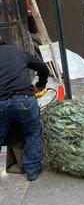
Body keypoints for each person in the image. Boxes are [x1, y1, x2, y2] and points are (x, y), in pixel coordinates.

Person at [0, 39, 49, 181]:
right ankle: (32, 171)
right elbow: (42, 67)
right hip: (24, 99)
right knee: (32, 132)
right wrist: (41, 84)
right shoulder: (17, 51)